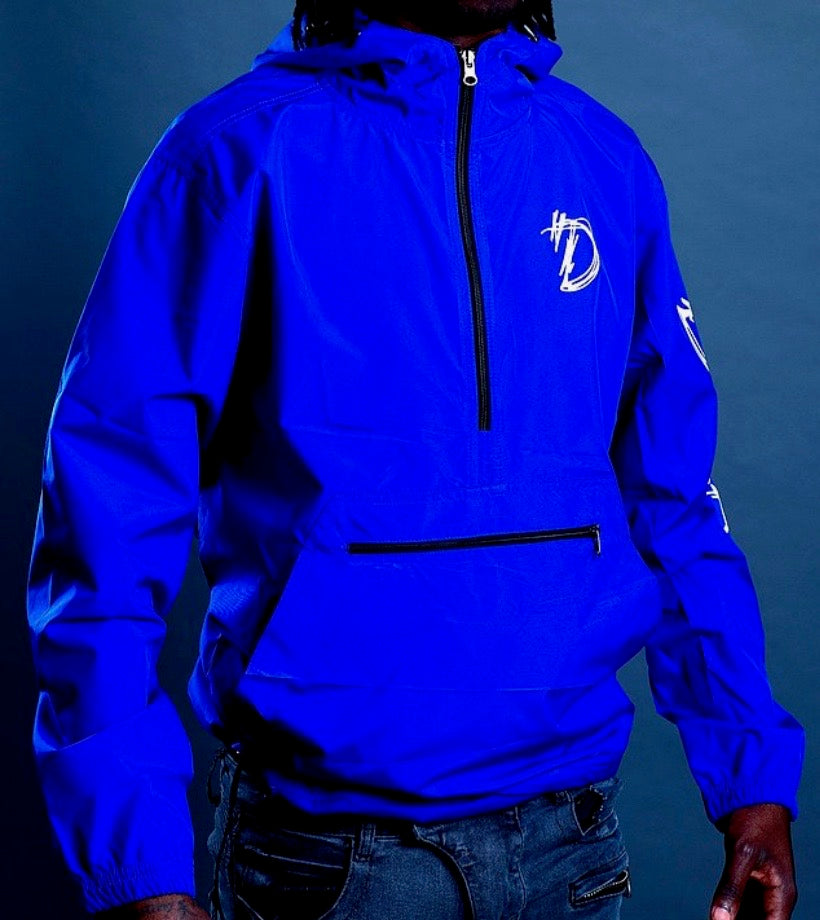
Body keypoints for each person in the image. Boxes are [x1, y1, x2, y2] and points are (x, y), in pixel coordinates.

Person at [26, 2, 805, 919]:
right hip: (329, 859)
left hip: (574, 845)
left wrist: (751, 776)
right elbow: (106, 519)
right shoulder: (235, 152)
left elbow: (673, 504)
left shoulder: (603, 159)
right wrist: (141, 868)